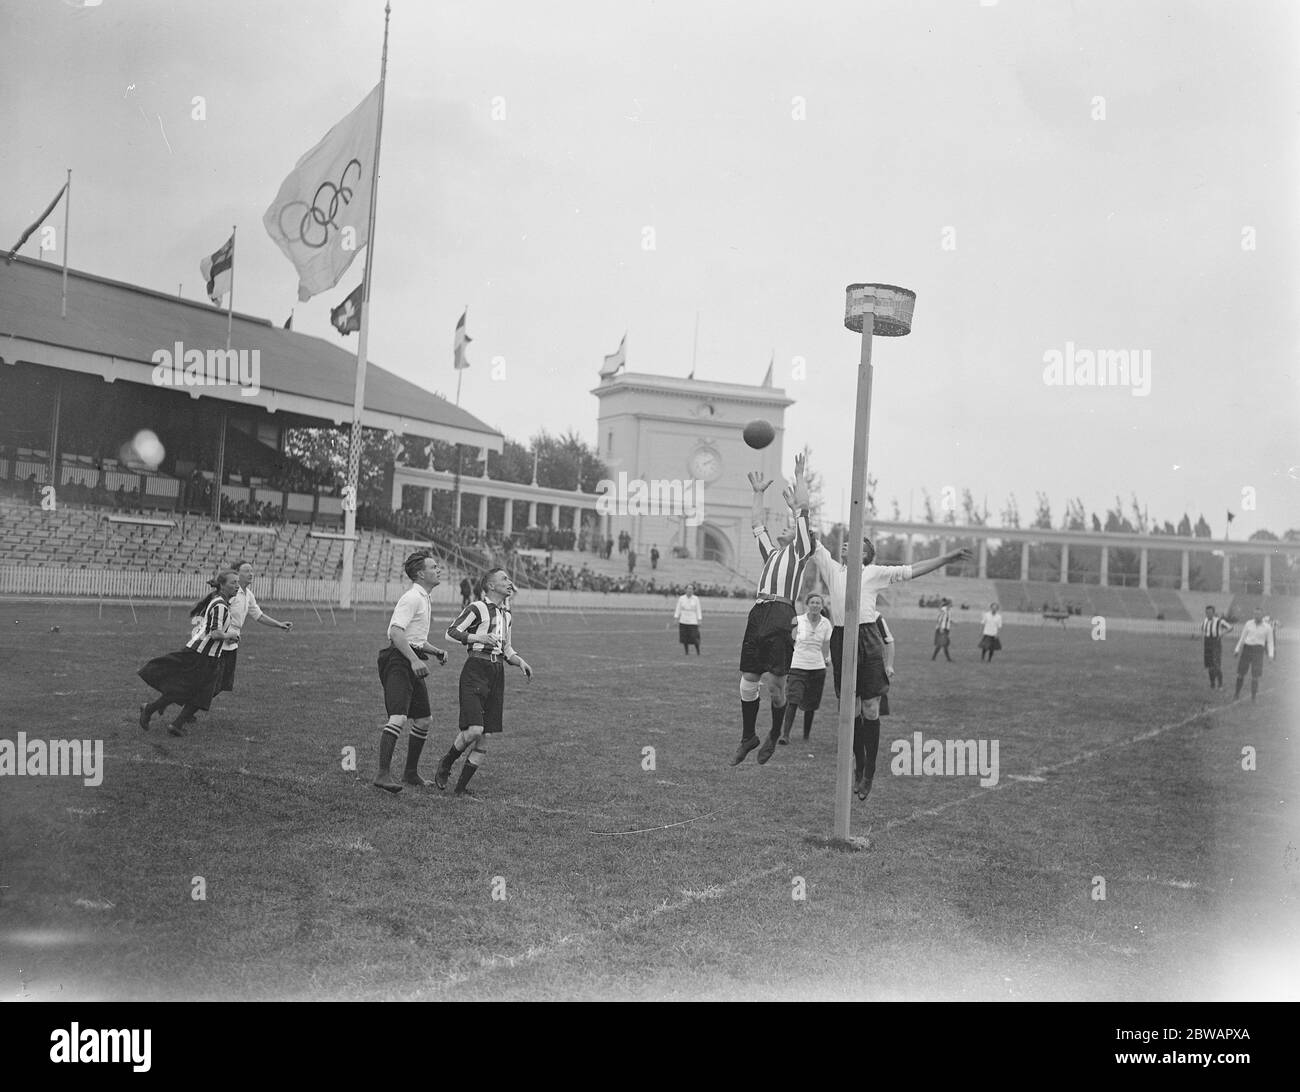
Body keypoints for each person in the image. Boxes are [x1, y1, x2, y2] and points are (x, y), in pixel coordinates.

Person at [812, 531, 971, 797]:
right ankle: (859, 765)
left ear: (862, 554)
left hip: (867, 637)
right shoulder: (832, 569)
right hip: (841, 637)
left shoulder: (873, 573)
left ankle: (869, 771)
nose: (844, 544)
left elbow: (913, 570)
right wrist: (798, 512)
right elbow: (811, 541)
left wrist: (947, 558)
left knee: (871, 708)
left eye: (852, 544)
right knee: (851, 709)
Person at [736, 454, 813, 767]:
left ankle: (774, 731)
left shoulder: (800, 553)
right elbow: (757, 524)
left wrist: (799, 475)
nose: (786, 526)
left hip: (781, 614)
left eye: (791, 525)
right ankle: (747, 736)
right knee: (748, 679)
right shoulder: (772, 554)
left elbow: (804, 510)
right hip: (758, 613)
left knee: (776, 687)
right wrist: (758, 493)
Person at [435, 568, 533, 796]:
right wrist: (477, 637)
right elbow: (451, 632)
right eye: (505, 579)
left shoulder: (507, 614)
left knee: (485, 737)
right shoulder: (477, 607)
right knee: (474, 730)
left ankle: (460, 789)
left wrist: (520, 662)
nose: (510, 582)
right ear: (490, 586)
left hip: (497, 672)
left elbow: (506, 648)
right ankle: (446, 763)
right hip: (476, 669)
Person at [373, 550, 450, 794]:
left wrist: (435, 651)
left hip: (409, 656)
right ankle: (382, 774)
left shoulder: (424, 597)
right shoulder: (412, 598)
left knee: (424, 719)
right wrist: (415, 660)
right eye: (434, 567)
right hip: (398, 660)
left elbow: (414, 638)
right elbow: (396, 633)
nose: (439, 570)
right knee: (398, 717)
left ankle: (410, 773)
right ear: (420, 573)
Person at [137, 570, 239, 736]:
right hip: (200, 655)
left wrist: (227, 638)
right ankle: (152, 711)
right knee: (189, 691)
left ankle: (173, 723)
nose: (237, 586)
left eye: (237, 582)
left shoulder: (221, 603)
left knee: (200, 694)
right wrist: (230, 635)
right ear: (222, 585)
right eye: (233, 582)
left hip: (208, 656)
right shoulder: (220, 605)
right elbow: (215, 633)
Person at [780, 592, 832, 744]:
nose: (815, 605)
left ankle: (806, 736)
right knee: (793, 699)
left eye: (818, 603)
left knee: (811, 703)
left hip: (817, 668)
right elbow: (789, 642)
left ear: (821, 606)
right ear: (807, 605)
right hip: (797, 666)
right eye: (812, 602)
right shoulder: (798, 620)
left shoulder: (826, 623)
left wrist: (828, 657)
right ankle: (785, 735)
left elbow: (831, 643)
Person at [1233, 607, 1274, 702]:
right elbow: (1242, 637)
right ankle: (1236, 694)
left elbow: (1270, 642)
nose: (1257, 616)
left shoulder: (1267, 627)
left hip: (1258, 651)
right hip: (1247, 649)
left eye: (1259, 614)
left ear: (1262, 615)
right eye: (1255, 614)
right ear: (1253, 614)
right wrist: (1237, 649)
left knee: (1255, 675)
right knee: (1240, 673)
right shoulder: (1248, 623)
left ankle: (1253, 697)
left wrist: (1271, 655)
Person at [1201, 605, 1233, 689]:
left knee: (1216, 665)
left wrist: (1222, 634)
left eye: (1210, 612)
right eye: (1207, 613)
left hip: (1215, 643)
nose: (1208, 614)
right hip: (1207, 643)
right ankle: (1212, 684)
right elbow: (1203, 630)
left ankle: (1220, 685)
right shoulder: (1205, 621)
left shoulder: (1219, 621)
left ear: (1214, 613)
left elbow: (1230, 627)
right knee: (1210, 666)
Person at [674, 582, 703, 655]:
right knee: (684, 637)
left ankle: (698, 651)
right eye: (688, 589)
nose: (690, 590)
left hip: (692, 620)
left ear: (693, 590)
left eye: (691, 589)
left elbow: (698, 609)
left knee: (694, 637)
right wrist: (676, 618)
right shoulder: (681, 598)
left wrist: (699, 619)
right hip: (683, 620)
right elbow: (678, 608)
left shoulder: (696, 599)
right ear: (685, 590)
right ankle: (686, 652)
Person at [932, 597, 953, 662]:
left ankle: (934, 658)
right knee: (943, 644)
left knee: (943, 644)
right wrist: (941, 628)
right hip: (943, 629)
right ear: (948, 604)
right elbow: (939, 619)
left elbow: (946, 619)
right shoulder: (944, 611)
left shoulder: (948, 611)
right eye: (951, 603)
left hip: (946, 629)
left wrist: (952, 622)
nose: (952, 605)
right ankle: (948, 659)